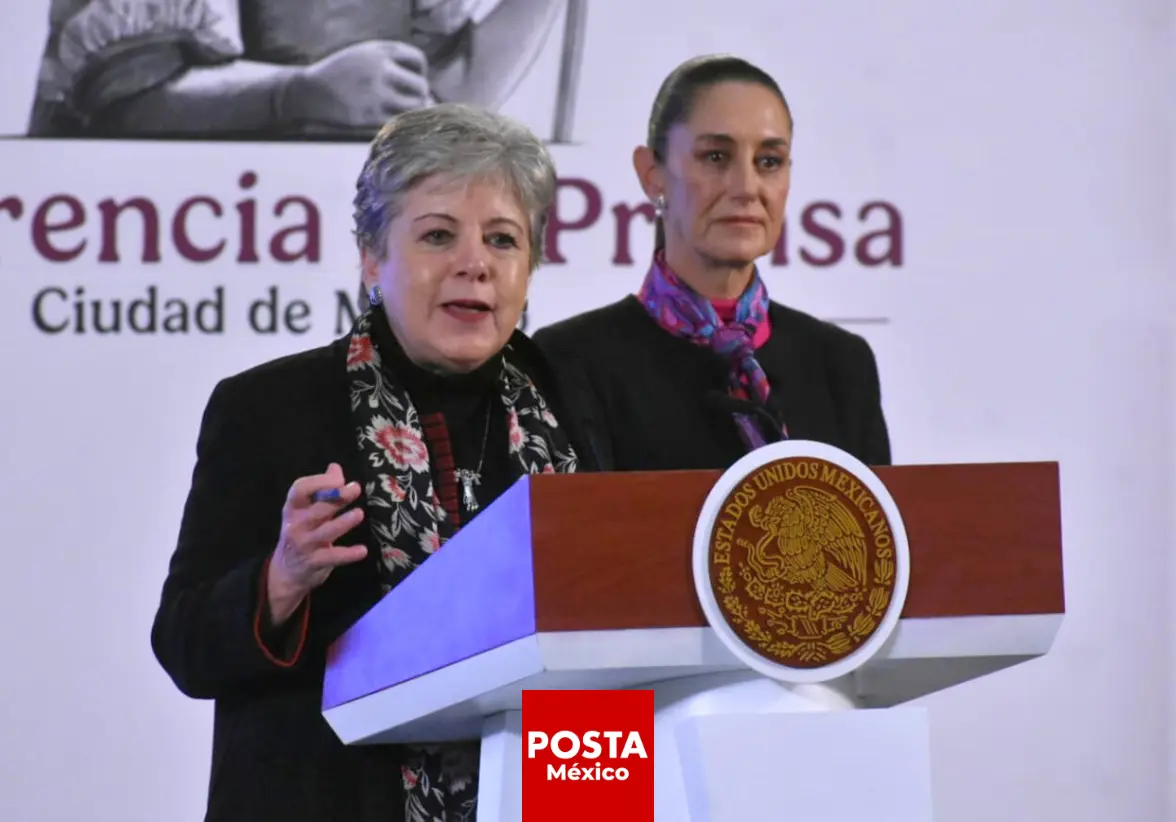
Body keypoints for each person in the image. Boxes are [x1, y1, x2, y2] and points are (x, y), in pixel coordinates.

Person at [150, 103, 597, 822]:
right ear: (371, 256)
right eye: (438, 235)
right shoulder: (268, 408)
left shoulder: (576, 409)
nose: (474, 263)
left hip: (550, 797)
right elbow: (183, 644)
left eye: (503, 239)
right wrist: (280, 580)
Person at [533, 54, 892, 470]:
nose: (747, 187)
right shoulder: (571, 360)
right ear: (652, 174)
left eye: (769, 161)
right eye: (716, 157)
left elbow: (877, 530)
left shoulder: (841, 364)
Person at [28, 0, 563, 139]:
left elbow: (443, 99)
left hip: (339, 241)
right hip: (169, 245)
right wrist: (298, 93)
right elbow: (123, 99)